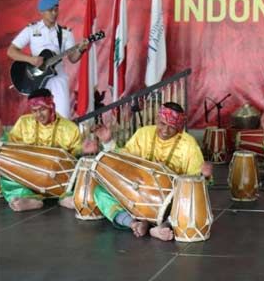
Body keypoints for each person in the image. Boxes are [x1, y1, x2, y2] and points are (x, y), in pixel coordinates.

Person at [88, 102, 213, 241]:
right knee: (100, 192)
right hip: (136, 195)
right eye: (162, 124)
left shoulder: (188, 144)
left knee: (187, 205)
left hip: (169, 203)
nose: (165, 130)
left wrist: (204, 176)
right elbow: (123, 161)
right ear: (156, 119)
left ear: (179, 128)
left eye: (172, 127)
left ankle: (159, 226)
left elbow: (194, 186)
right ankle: (134, 224)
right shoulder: (143, 133)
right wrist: (108, 142)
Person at [0, 89, 83, 212]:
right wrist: (0, 134)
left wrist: (84, 151)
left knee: (79, 174)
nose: (38, 115)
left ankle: (66, 197)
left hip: (59, 180)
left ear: (51, 107)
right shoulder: (24, 122)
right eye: (34, 111)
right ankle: (28, 197)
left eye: (42, 109)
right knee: (5, 172)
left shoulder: (69, 128)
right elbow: (11, 148)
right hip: (29, 177)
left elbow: (76, 159)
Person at [7, 0, 89, 119]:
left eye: (56, 9)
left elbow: (73, 58)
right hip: (36, 79)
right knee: (41, 118)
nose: (54, 13)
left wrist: (81, 49)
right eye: (50, 10)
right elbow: (11, 51)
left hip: (58, 78)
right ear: (41, 12)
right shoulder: (31, 29)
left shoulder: (66, 33)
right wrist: (31, 59)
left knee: (63, 117)